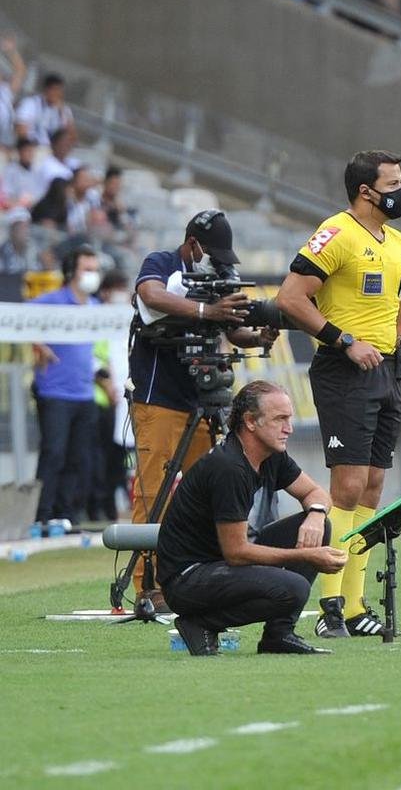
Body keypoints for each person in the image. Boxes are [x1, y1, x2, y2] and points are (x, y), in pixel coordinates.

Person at [276, 150, 401, 639]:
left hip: (387, 370)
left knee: (371, 488)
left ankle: (354, 604)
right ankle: (329, 607)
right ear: (366, 191)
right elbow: (290, 298)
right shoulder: (336, 234)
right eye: (394, 183)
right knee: (345, 486)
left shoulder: (400, 243)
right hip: (343, 371)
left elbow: (399, 319)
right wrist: (343, 340)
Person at [128, 210, 278, 613]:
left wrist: (257, 335)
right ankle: (149, 586)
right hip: (158, 397)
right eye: (211, 253)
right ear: (193, 244)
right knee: (153, 493)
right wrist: (203, 312)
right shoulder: (162, 262)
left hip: (202, 400)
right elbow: (150, 294)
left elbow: (231, 329)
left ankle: (206, 576)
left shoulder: (216, 279)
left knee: (212, 490)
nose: (217, 262)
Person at [157, 381, 346, 656]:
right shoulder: (229, 467)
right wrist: (308, 555)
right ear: (250, 422)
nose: (289, 428)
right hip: (187, 579)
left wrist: (316, 515)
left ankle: (278, 636)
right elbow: (237, 553)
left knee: (320, 526)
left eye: (289, 418)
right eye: (280, 419)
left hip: (219, 562)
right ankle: (200, 622)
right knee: (294, 588)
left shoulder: (271, 454)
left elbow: (315, 492)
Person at [28, 246, 103, 535]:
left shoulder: (95, 308)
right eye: (87, 269)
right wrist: (39, 345)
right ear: (72, 271)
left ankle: (64, 515)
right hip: (55, 391)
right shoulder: (53, 302)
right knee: (53, 453)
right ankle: (41, 516)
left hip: (84, 392)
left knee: (77, 457)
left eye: (95, 269)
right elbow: (19, 319)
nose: (91, 275)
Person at [88, 270, 131, 522]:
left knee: (119, 459)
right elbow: (93, 357)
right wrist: (105, 383)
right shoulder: (96, 319)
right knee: (102, 458)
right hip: (102, 400)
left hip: (124, 401)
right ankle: (99, 508)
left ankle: (113, 506)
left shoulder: (128, 319)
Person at [14, 73, 73, 146]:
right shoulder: (31, 103)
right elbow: (21, 130)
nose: (57, 94)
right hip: (31, 148)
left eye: (59, 90)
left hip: (53, 151)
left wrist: (63, 114)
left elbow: (72, 139)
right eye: (54, 89)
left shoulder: (65, 110)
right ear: (46, 89)